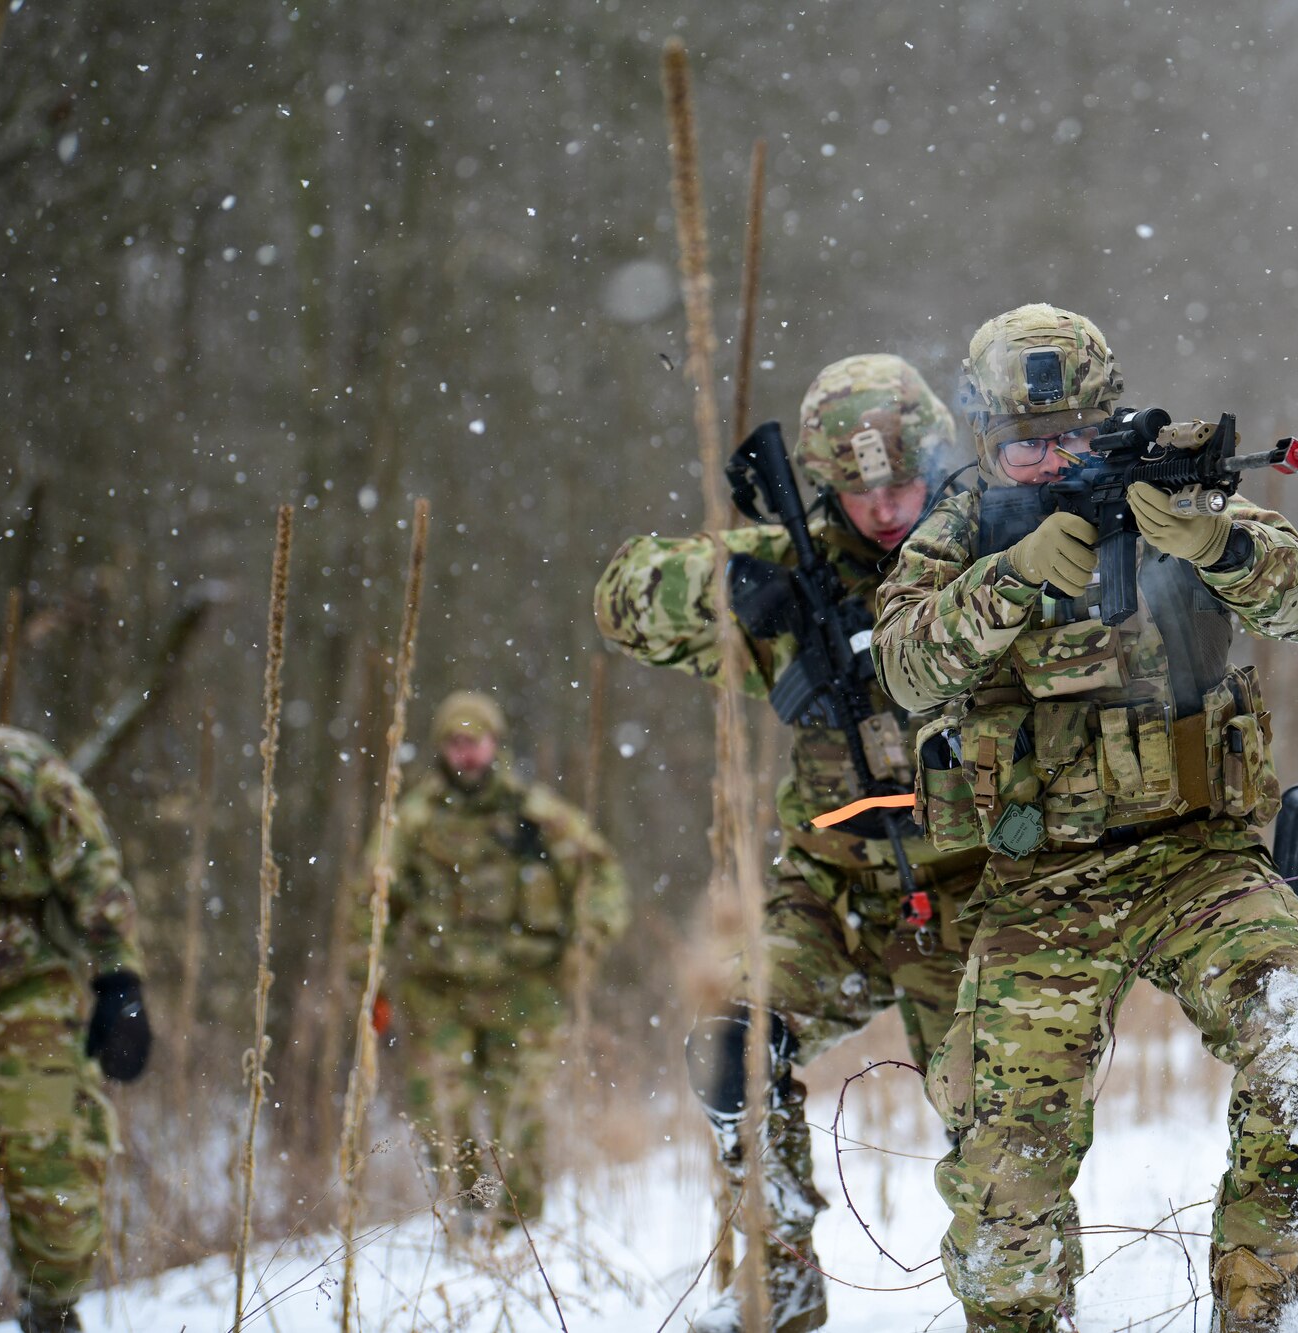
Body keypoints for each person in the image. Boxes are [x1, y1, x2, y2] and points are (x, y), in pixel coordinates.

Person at [870, 305, 1298, 1332]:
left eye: (1070, 438)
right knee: (1007, 1175)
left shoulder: (1168, 487)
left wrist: (1216, 543)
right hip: (1039, 882)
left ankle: (1262, 1303)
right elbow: (904, 663)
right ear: (980, 440)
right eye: (1021, 444)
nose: (1051, 462)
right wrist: (1006, 580)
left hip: (1197, 860)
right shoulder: (962, 529)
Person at [594, 353, 987, 1333]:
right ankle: (780, 1276)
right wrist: (734, 584)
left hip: (982, 895)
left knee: (1000, 1136)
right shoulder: (793, 562)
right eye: (861, 491)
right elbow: (621, 595)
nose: (890, 508)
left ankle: (1012, 1304)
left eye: (904, 482)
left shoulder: (986, 548)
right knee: (732, 1045)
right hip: (835, 894)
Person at [362, 690, 626, 1229]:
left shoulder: (537, 816)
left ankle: (514, 1226)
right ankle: (467, 1210)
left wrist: (587, 943)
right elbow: (370, 900)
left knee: (518, 1117)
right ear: (441, 748)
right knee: (442, 1109)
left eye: (475, 742)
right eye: (455, 743)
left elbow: (603, 876)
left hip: (525, 991)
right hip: (440, 993)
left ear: (494, 744)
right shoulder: (413, 823)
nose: (466, 755)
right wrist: (366, 979)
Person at [0, 713, 150, 1333]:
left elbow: (94, 871)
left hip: (29, 1000)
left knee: (59, 1210)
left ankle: (50, 1312)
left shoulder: (14, 770)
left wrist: (120, 981)